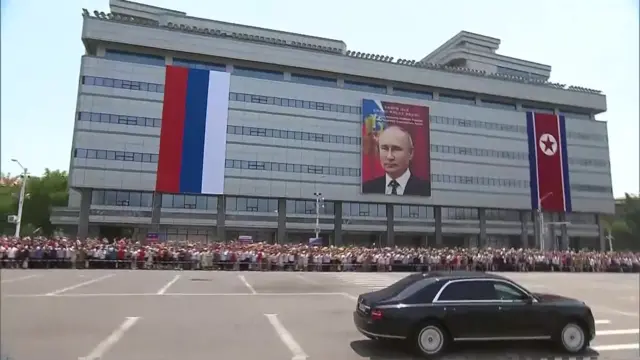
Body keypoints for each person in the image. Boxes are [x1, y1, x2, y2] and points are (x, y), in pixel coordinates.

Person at [362, 125, 430, 196]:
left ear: (410, 153)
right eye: (385, 149)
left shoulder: (426, 190)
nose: (390, 157)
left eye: (396, 149)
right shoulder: (367, 189)